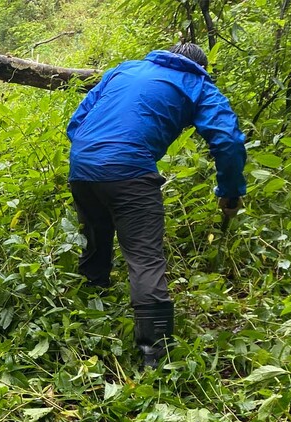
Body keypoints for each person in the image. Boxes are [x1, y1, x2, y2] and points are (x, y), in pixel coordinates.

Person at [66, 42, 246, 368]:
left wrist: (95, 155)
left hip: (82, 165)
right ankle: (156, 354)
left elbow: (76, 121)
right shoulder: (197, 85)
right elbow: (228, 140)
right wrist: (230, 191)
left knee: (96, 233)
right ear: (200, 67)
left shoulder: (124, 69)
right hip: (129, 170)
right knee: (145, 258)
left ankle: (90, 304)